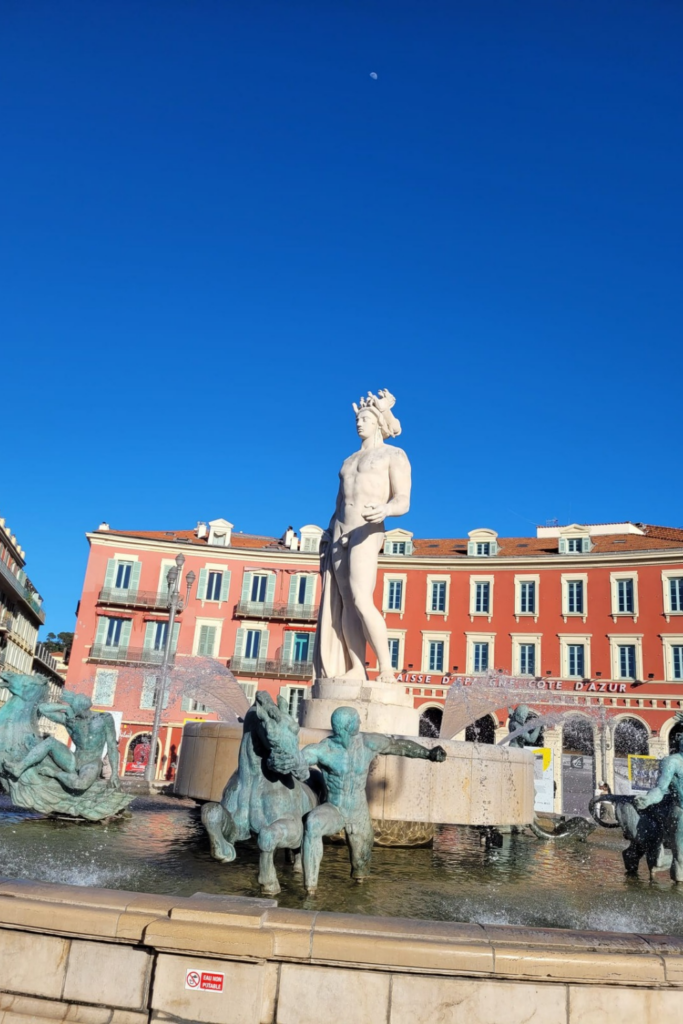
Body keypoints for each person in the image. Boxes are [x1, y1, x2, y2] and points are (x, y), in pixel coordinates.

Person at [314, 390, 411, 683]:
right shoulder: (347, 461)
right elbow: (339, 502)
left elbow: (404, 500)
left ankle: (386, 668)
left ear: (378, 423)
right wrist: (330, 531)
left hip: (367, 528)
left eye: (366, 418)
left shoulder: (394, 455)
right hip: (341, 530)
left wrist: (385, 509)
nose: (360, 423)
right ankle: (357, 667)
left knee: (361, 598)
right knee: (345, 601)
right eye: (358, 418)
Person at [295, 706, 446, 893]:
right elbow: (299, 761)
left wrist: (428, 754)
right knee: (313, 823)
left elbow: (398, 747)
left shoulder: (368, 742)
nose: (360, 722)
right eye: (356, 720)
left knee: (361, 865)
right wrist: (290, 763)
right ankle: (310, 889)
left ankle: (359, 892)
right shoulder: (323, 750)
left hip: (358, 812)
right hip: (335, 808)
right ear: (347, 726)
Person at [4, 689, 121, 793]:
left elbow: (112, 746)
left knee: (79, 784)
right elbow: (42, 708)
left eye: (74, 709)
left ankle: (54, 774)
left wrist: (114, 774)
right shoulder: (70, 720)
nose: (72, 712)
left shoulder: (104, 719)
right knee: (50, 741)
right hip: (73, 760)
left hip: (92, 763)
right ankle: (19, 768)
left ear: (83, 709)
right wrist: (65, 707)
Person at [634, 719, 683, 882]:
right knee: (681, 857)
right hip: (681, 813)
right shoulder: (672, 762)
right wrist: (648, 799)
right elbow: (661, 789)